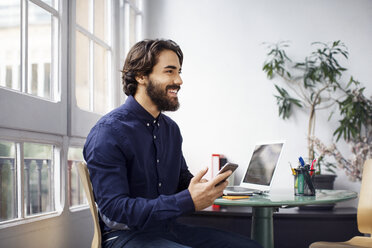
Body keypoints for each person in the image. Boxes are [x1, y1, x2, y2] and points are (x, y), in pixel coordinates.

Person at [83, 39, 262, 248]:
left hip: (167, 230)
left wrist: (204, 188)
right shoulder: (108, 132)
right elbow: (115, 208)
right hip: (125, 237)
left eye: (179, 71)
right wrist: (188, 200)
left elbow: (179, 179)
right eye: (169, 71)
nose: (179, 80)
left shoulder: (170, 129)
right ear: (141, 76)